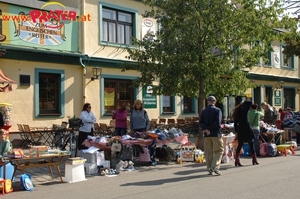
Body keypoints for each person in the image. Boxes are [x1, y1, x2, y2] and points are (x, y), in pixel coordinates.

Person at [199, 96, 223, 176]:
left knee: (208, 152)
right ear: (215, 102)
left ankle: (209, 169)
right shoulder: (217, 110)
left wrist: (205, 129)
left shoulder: (204, 111)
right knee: (219, 150)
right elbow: (217, 122)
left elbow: (201, 122)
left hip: (207, 134)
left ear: (207, 102)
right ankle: (214, 166)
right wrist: (210, 129)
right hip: (215, 133)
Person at [232, 100, 259, 166]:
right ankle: (254, 159)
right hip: (246, 128)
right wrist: (245, 103)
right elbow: (250, 103)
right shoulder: (244, 110)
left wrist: (236, 131)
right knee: (251, 143)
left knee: (240, 144)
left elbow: (235, 123)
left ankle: (237, 160)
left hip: (240, 129)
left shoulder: (237, 111)